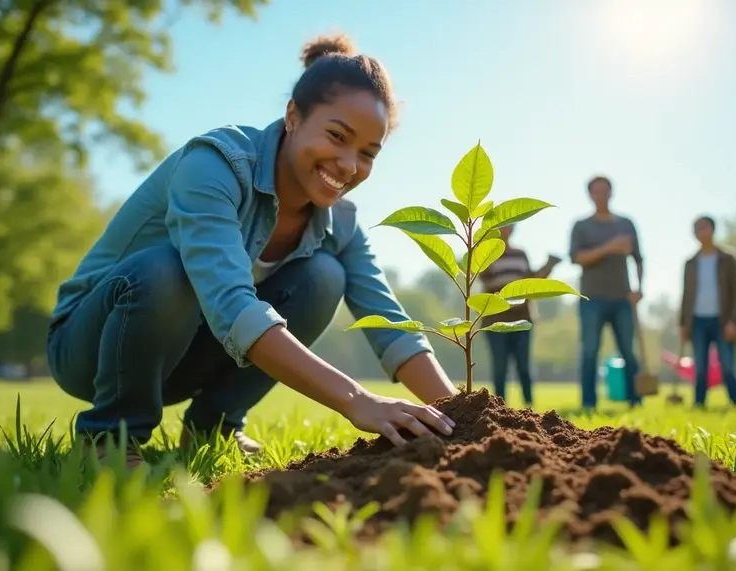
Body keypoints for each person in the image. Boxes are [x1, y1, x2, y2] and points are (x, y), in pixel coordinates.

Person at [46, 34, 457, 468]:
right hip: (90, 347)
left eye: (367, 154)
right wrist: (357, 400)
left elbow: (391, 325)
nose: (349, 165)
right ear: (293, 117)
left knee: (324, 277)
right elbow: (231, 303)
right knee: (168, 270)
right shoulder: (215, 165)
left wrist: (462, 416)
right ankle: (108, 437)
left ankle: (211, 427)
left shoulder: (341, 221)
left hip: (189, 353)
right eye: (337, 136)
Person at [568, 175, 644, 410]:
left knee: (628, 351)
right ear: (590, 195)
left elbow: (639, 258)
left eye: (605, 190)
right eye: (596, 191)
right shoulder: (581, 226)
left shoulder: (626, 224)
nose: (601, 194)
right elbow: (578, 258)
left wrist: (639, 288)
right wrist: (609, 247)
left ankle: (635, 400)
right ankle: (589, 403)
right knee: (589, 351)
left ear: (611, 192)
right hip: (591, 298)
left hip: (622, 298)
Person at [476, 224, 560, 407]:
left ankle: (529, 405)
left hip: (522, 319)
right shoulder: (486, 254)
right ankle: (500, 407)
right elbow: (485, 279)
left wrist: (547, 268)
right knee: (500, 367)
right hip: (495, 319)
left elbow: (530, 283)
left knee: (524, 366)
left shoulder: (520, 254)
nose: (507, 229)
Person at [678, 215, 736, 408]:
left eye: (704, 227)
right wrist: (683, 323)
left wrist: (734, 320)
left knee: (728, 365)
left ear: (713, 230)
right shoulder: (691, 262)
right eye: (697, 229)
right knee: (700, 367)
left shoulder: (727, 259)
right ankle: (699, 404)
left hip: (722, 319)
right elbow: (686, 294)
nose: (701, 232)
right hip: (698, 320)